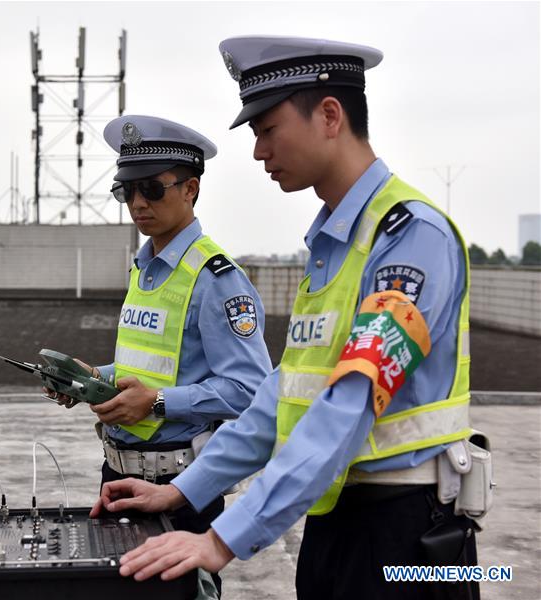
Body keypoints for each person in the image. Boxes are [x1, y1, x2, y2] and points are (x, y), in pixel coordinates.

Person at [92, 37, 481, 600]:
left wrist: (223, 539)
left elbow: (348, 408)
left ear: (328, 115)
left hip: (412, 543)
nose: (258, 152)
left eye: (267, 129)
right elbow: (281, 394)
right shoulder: (333, 245)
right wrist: (183, 491)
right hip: (337, 523)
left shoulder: (409, 239)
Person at [49, 115, 272, 593]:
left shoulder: (217, 279)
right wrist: (93, 376)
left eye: (151, 188)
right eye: (125, 191)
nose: (137, 203)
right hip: (119, 477)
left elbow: (251, 389)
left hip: (180, 490)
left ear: (190, 189)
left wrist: (156, 403)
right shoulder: (144, 268)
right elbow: (145, 367)